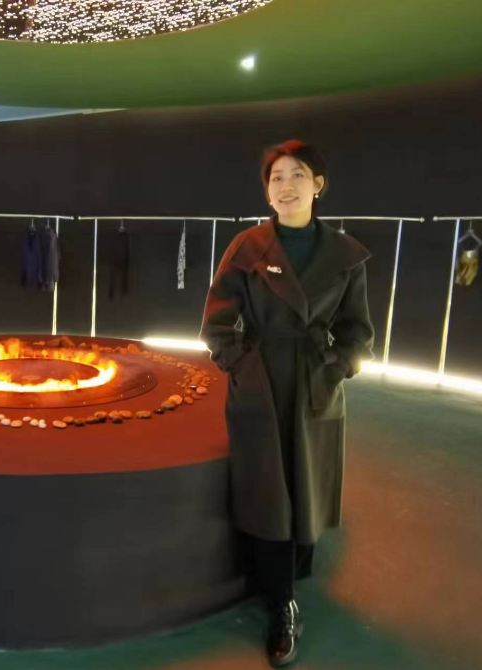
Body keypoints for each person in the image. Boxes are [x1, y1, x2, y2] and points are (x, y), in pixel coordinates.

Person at [200, 140, 374, 667]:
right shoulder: (248, 246)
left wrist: (337, 367)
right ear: (267, 191)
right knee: (268, 489)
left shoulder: (345, 254)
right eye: (276, 177)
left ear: (318, 185)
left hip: (315, 379)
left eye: (297, 174)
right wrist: (240, 363)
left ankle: (290, 578)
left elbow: (357, 331)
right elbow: (215, 322)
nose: (285, 185)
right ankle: (281, 604)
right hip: (261, 379)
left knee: (307, 482)